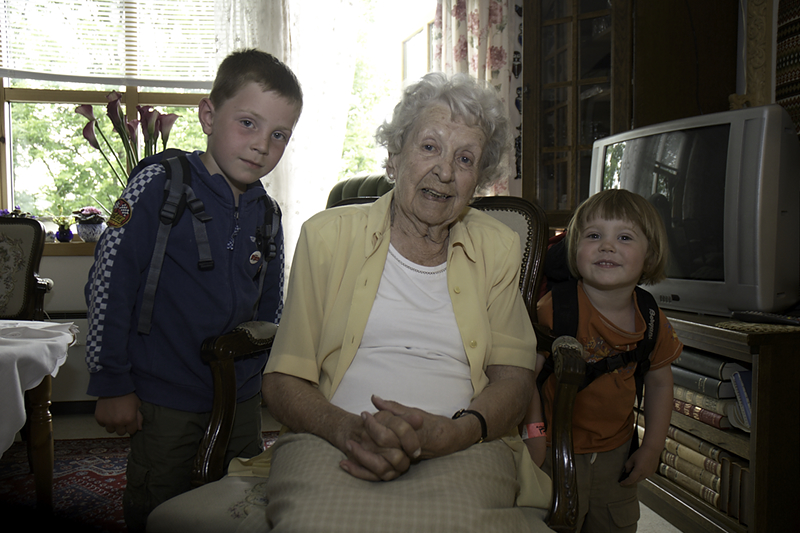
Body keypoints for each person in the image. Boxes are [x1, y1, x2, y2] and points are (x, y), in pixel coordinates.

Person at [147, 72, 552, 533]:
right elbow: (283, 379)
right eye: (429, 147)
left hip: (462, 445)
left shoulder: (497, 247)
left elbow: (514, 380)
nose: (444, 171)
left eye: (465, 158)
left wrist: (458, 432)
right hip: (333, 437)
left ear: (477, 179)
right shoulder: (327, 237)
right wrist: (346, 430)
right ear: (395, 157)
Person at [83, 49, 303, 532]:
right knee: (160, 505)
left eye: (279, 135)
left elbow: (272, 310)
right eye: (248, 123)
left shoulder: (268, 213)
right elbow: (108, 283)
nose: (261, 145)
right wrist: (112, 382)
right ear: (208, 116)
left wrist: (269, 379)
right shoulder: (158, 186)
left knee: (238, 504)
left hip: (241, 398)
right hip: (164, 395)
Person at [523, 189, 683, 533]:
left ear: (650, 254)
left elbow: (659, 383)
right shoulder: (554, 309)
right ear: (574, 249)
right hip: (554, 451)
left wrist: (653, 447)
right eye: (594, 236)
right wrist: (533, 434)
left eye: (624, 237)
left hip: (617, 453)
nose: (607, 246)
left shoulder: (651, 318)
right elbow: (525, 377)